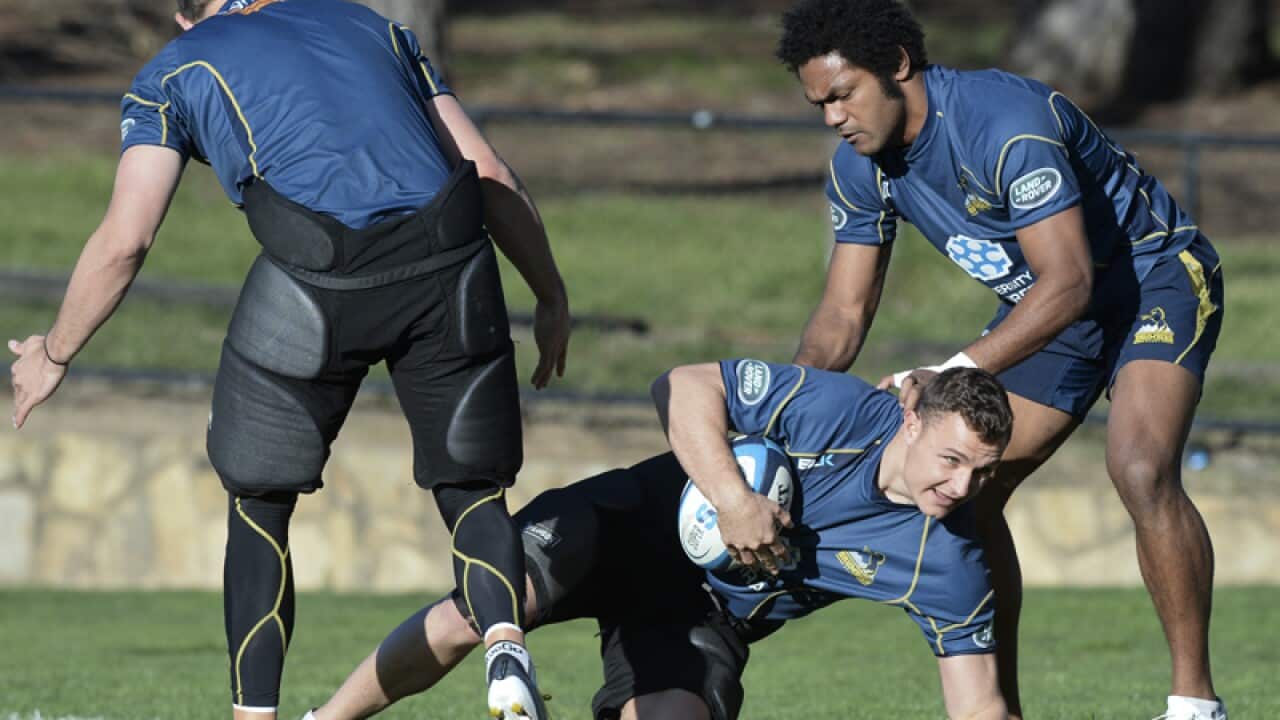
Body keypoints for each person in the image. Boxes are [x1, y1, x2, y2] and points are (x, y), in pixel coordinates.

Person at [6, 1, 571, 718]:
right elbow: (484, 167)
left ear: (184, 17)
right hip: (449, 264)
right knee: (473, 488)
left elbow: (126, 239)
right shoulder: (374, 25)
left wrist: (53, 354)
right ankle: (504, 650)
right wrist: (549, 293)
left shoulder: (172, 71)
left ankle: (256, 714)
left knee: (261, 504)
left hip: (317, 282)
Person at [768, 1, 1227, 718]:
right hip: (1051, 311)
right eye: (818, 103)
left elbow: (1071, 281)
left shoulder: (1003, 125)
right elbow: (842, 314)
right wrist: (785, 418)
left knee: (1139, 466)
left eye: (841, 95)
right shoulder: (864, 169)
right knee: (969, 493)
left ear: (896, 65)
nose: (831, 117)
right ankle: (997, 710)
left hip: (1149, 278)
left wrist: (951, 371)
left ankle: (1195, 705)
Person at [306, 362, 1015, 720]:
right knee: (483, 608)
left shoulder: (948, 560)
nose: (960, 489)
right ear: (913, 421)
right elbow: (679, 384)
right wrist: (733, 500)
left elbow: (979, 703)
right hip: (627, 520)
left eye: (981, 474)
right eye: (951, 462)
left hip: (705, 611)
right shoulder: (840, 410)